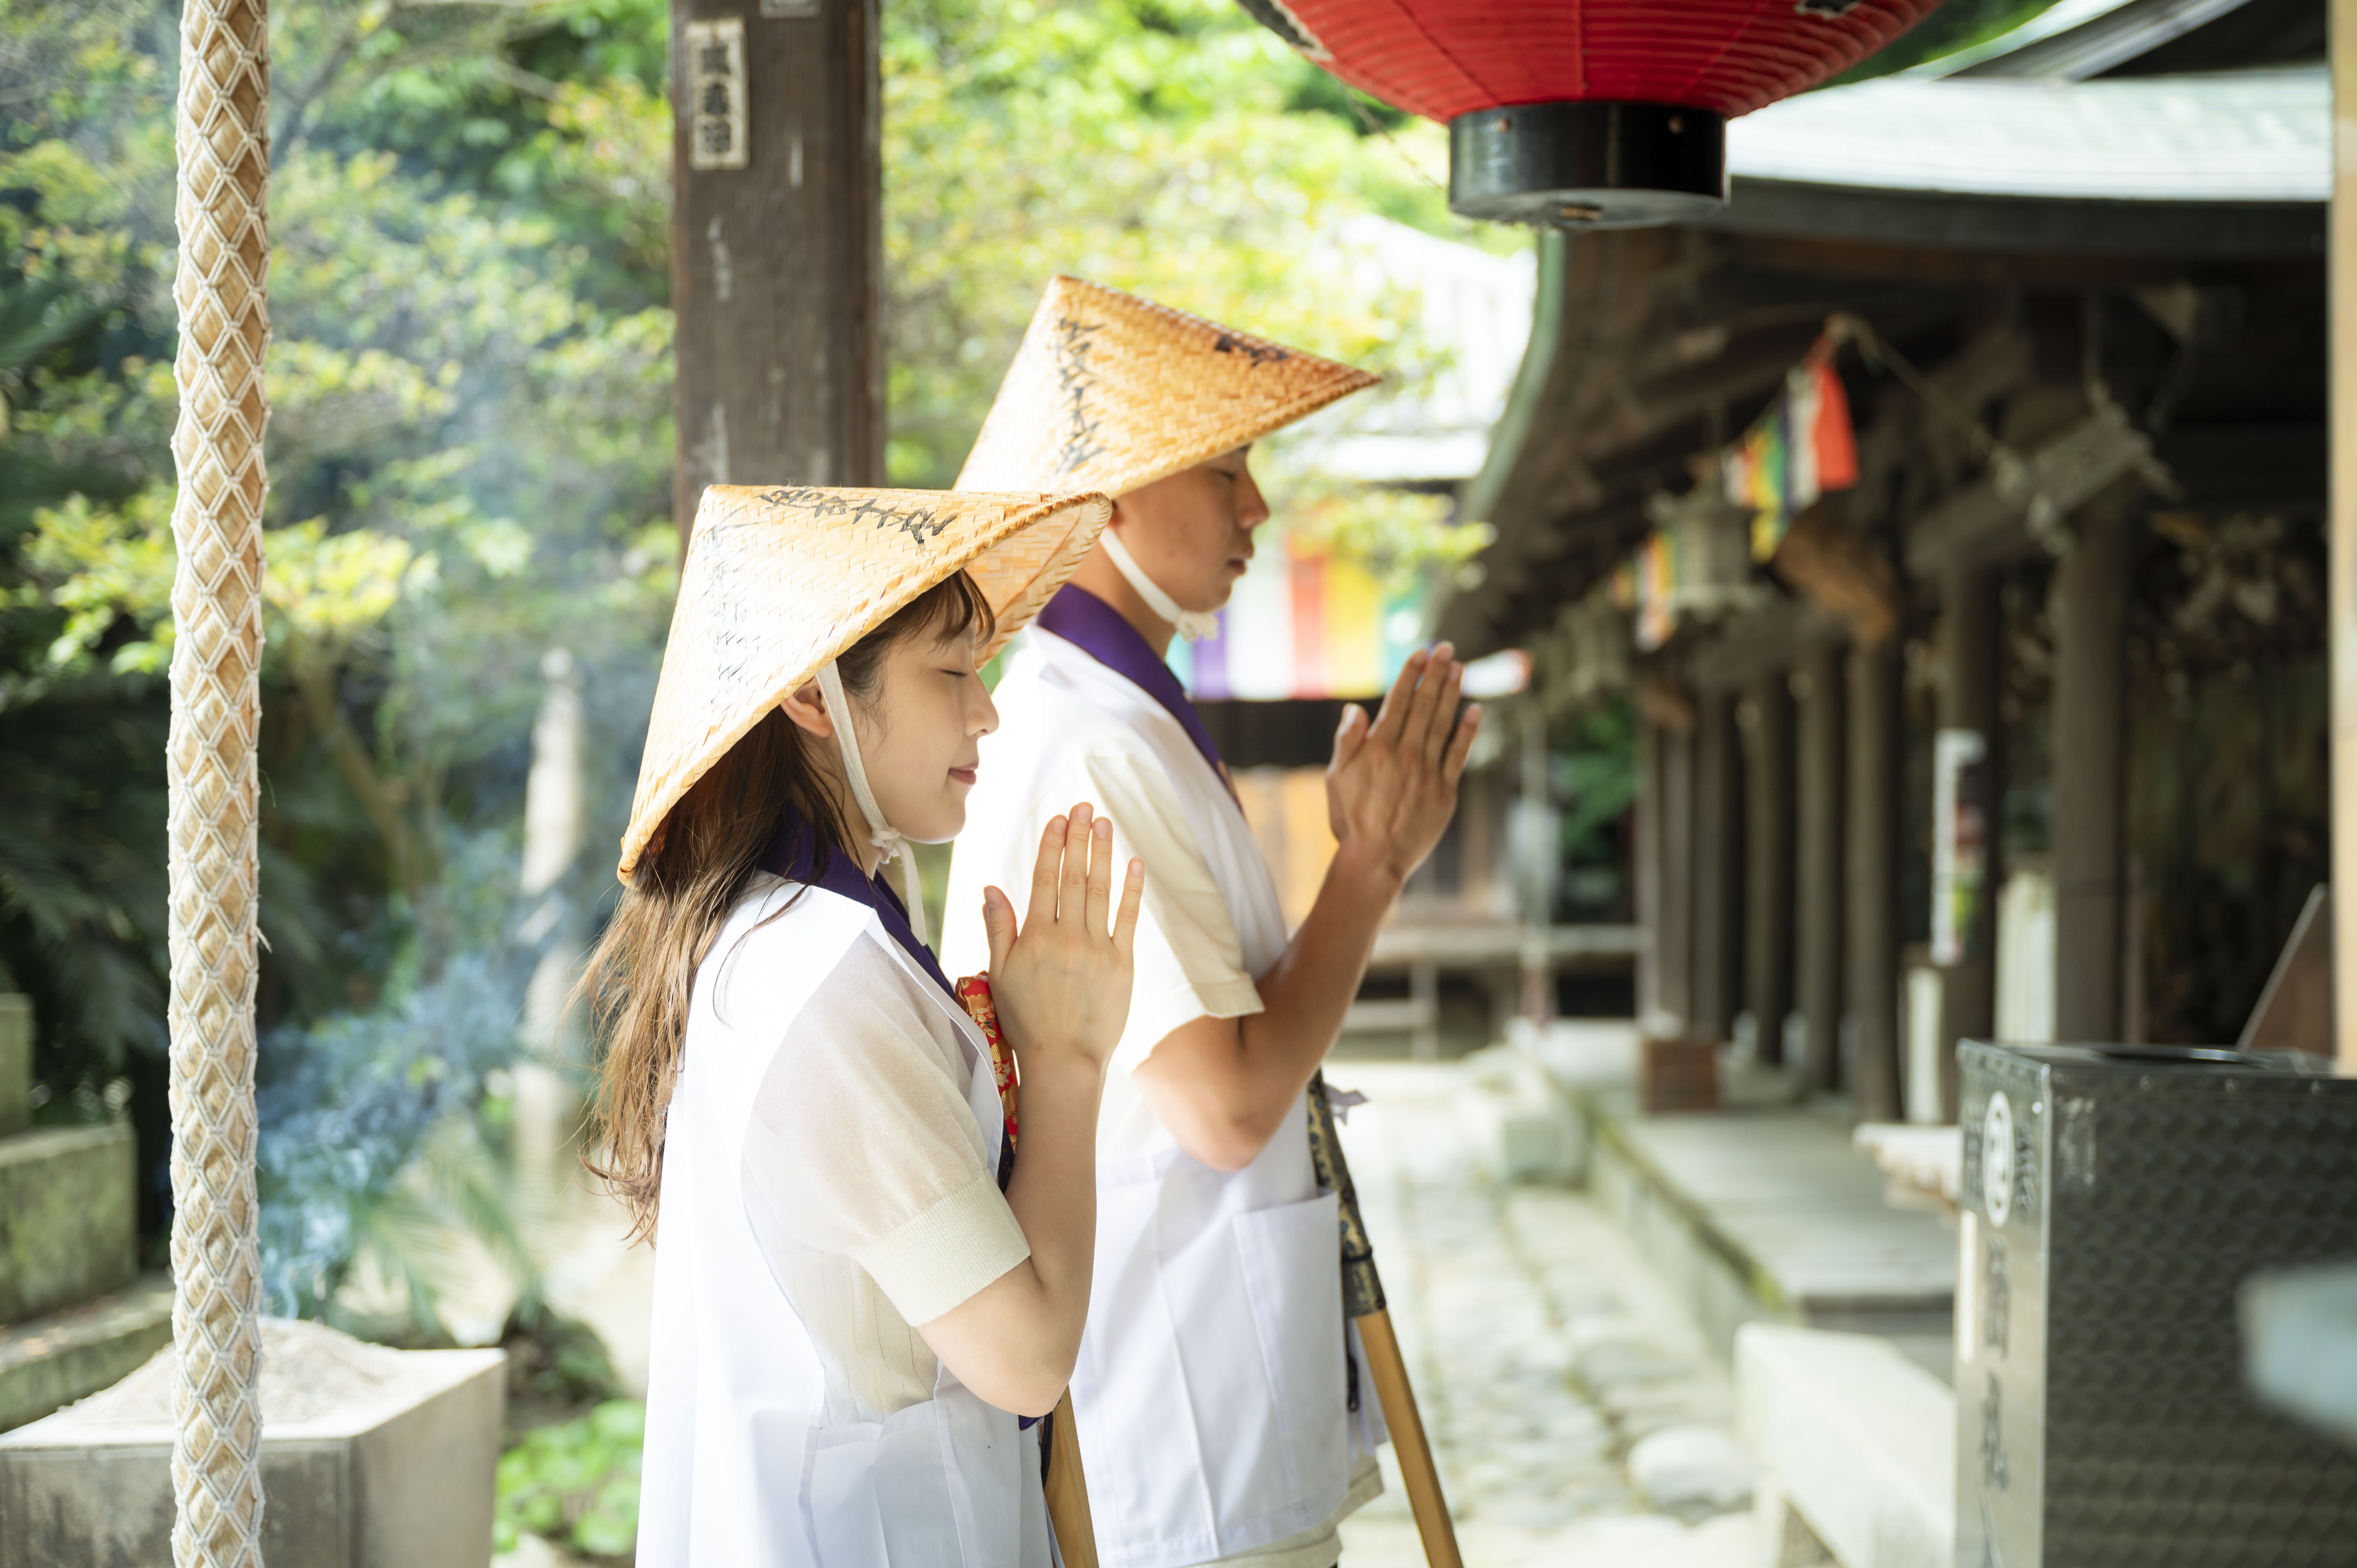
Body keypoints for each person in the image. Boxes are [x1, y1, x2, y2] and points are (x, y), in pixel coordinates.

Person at [944, 280, 1482, 1568]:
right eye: (1229, 465)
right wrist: (1368, 868)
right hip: (1172, 1420)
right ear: (1110, 495)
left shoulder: (1122, 721)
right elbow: (1226, 1105)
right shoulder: (1087, 742)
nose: (1257, 508)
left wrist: (1370, 865)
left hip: (1201, 1380)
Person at [583, 482, 1146, 1566]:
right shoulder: (818, 977)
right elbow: (1025, 1356)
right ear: (812, 694)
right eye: (950, 671)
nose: (986, 710)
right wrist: (1068, 1064)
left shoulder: (785, 936)